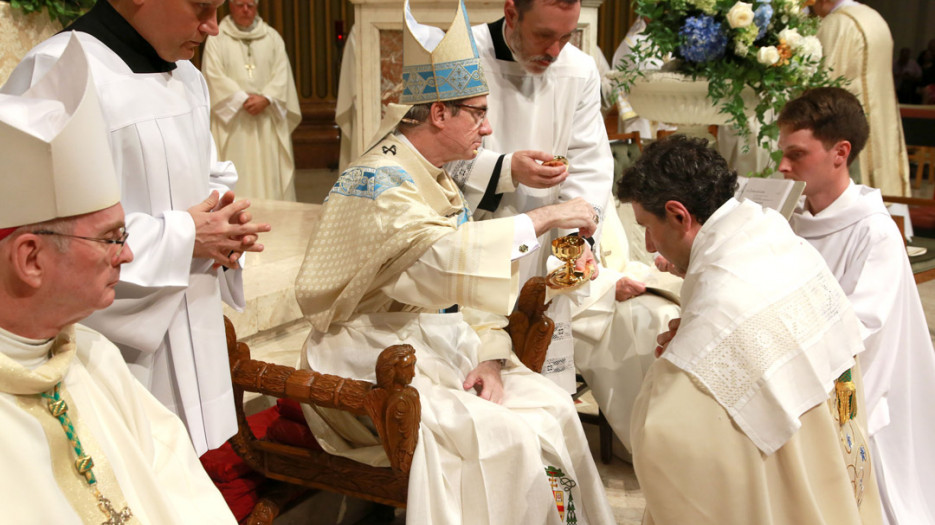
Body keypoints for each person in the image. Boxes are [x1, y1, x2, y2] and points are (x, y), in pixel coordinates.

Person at [293, 2, 615, 523]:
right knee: (499, 433)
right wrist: (546, 215)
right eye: (479, 114)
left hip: (428, 336)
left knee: (554, 408)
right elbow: (438, 263)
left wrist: (488, 353)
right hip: (363, 345)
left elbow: (466, 285)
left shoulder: (439, 176)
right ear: (440, 113)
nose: (488, 131)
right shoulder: (378, 180)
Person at [1, 0, 271, 456]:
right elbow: (41, 237)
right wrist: (186, 236)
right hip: (117, 346)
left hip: (194, 317)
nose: (213, 27)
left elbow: (208, 175)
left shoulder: (188, 75)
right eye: (202, 9)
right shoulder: (60, 69)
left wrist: (226, 225)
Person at [447, 0, 680, 451]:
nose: (555, 51)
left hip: (551, 242)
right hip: (478, 235)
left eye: (566, 37)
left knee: (557, 346)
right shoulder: (461, 54)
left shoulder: (578, 69)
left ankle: (554, 440)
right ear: (511, 13)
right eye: (544, 36)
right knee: (484, 356)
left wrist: (575, 234)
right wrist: (504, 168)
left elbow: (591, 162)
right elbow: (430, 152)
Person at [621, 135, 883, 525]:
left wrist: (689, 352)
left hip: (788, 461)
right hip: (829, 430)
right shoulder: (769, 231)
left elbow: (664, 436)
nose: (648, 243)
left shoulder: (723, 292)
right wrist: (696, 332)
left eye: (646, 226)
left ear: (679, 215)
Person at [779, 87, 935, 525]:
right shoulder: (789, 217)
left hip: (850, 392)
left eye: (796, 153)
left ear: (839, 152)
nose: (783, 166)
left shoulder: (874, 233)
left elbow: (861, 329)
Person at [202, 0, 301, 201]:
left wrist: (267, 98)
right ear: (230, 6)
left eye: (250, 5)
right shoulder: (217, 38)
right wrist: (240, 99)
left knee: (269, 171)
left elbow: (282, 74)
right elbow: (213, 75)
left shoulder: (272, 37)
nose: (245, 10)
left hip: (266, 119)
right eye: (240, 5)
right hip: (234, 121)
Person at [813, 0, 910, 196]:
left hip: (852, 131)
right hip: (883, 127)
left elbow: (821, 88)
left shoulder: (837, 25)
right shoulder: (873, 16)